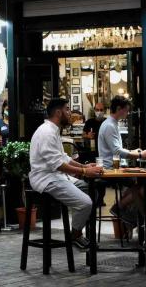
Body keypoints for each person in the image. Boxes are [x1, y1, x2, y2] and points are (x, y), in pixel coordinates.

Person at [29, 98, 103, 249]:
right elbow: (58, 165)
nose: (70, 113)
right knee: (85, 203)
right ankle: (75, 235)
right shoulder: (47, 132)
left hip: (57, 176)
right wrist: (84, 171)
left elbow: (64, 158)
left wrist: (84, 166)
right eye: (67, 109)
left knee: (91, 190)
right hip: (46, 179)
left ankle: (79, 228)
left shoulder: (54, 130)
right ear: (58, 112)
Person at [97, 96, 146, 225]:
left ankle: (128, 215)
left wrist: (135, 152)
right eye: (126, 110)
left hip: (113, 166)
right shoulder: (109, 125)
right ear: (119, 109)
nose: (127, 113)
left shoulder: (112, 124)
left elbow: (117, 149)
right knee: (136, 184)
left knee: (136, 182)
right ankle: (143, 219)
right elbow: (117, 151)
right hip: (109, 169)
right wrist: (138, 155)